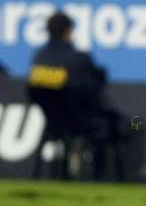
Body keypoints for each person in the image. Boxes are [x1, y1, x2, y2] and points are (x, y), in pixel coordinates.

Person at [27, 12, 121, 180]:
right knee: (125, 123)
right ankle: (104, 179)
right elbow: (93, 91)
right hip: (81, 123)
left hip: (51, 123)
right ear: (68, 31)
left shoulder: (39, 58)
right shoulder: (78, 59)